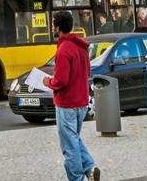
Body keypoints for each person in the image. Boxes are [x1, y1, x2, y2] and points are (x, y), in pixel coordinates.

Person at [43, 10, 98, 181]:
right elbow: (87, 72)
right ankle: (89, 167)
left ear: (58, 27)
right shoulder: (81, 47)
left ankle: (77, 178)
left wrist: (48, 82)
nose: (52, 27)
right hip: (81, 101)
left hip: (66, 104)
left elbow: (61, 81)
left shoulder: (63, 50)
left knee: (69, 146)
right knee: (74, 138)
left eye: (53, 24)